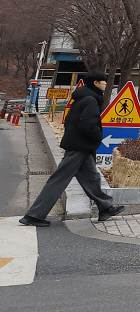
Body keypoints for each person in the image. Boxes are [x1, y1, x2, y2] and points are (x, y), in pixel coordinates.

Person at [20, 72, 125, 227]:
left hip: (80, 146)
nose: (106, 84)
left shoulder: (82, 97)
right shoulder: (91, 100)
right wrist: (98, 136)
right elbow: (87, 124)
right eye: (103, 81)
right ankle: (33, 215)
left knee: (91, 178)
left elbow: (70, 120)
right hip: (79, 146)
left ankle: (105, 208)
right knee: (59, 179)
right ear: (95, 83)